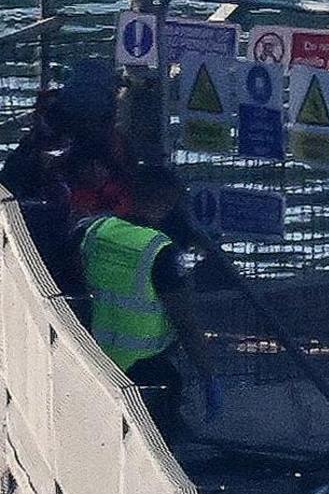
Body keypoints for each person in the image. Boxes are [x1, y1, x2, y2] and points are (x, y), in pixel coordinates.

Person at [75, 163, 216, 441]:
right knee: (161, 440)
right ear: (167, 203)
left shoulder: (96, 230)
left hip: (95, 353)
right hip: (146, 367)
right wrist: (208, 375)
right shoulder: (162, 253)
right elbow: (185, 323)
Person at [2, 58, 134, 293]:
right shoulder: (112, 145)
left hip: (55, 245)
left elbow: (9, 187)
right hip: (81, 241)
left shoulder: (39, 141)